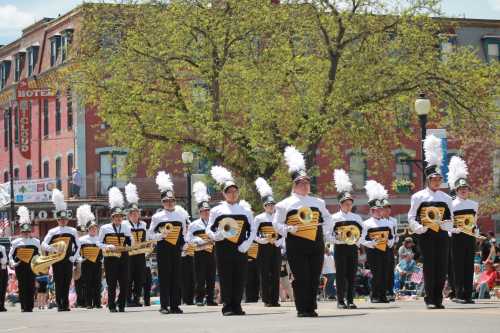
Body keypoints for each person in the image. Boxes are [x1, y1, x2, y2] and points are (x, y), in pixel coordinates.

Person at [273, 146, 332, 317]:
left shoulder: (318, 202)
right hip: (296, 242)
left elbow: (328, 218)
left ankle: (311, 306)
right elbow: (276, 224)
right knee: (301, 276)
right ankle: (302, 308)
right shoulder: (285, 204)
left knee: (314, 276)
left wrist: (325, 231)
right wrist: (288, 229)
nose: (306, 185)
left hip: (316, 241)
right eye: (302, 183)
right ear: (295, 184)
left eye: (307, 182)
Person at [408, 135, 454, 309]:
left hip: (442, 235)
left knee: (442, 267)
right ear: (428, 180)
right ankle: (430, 299)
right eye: (434, 179)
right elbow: (411, 216)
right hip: (426, 235)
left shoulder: (446, 197)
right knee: (429, 267)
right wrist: (419, 228)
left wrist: (447, 227)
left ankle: (438, 299)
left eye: (439, 179)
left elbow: (450, 218)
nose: (436, 181)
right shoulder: (418, 196)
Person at [206, 165, 256, 316]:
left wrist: (247, 244)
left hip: (240, 247)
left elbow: (252, 229)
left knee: (240, 276)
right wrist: (215, 236)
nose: (232, 194)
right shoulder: (216, 210)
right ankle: (227, 306)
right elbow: (209, 228)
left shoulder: (245, 210)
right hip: (223, 248)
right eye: (229, 192)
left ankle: (237, 305)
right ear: (224, 193)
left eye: (235, 191)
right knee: (226, 276)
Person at [149, 171, 189, 315]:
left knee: (176, 277)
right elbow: (150, 235)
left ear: (175, 201)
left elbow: (184, 233)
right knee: (165, 277)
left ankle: (175, 305)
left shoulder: (180, 215)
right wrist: (161, 235)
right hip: (163, 249)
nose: (169, 203)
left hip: (176, 249)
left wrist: (184, 244)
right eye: (166, 201)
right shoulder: (157, 216)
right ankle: (164, 305)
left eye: (172, 201)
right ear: (162, 202)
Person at [42, 189, 80, 312]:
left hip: (68, 259)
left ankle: (66, 303)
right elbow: (43, 244)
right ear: (57, 220)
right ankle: (60, 304)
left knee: (67, 281)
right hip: (57, 260)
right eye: (60, 219)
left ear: (67, 220)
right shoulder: (52, 231)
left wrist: (73, 257)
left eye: (64, 219)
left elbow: (78, 246)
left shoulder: (72, 231)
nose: (63, 221)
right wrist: (52, 248)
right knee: (58, 282)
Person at [330, 169, 363, 309]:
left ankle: (350, 300)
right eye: (346, 203)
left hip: (352, 247)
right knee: (341, 275)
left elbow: (362, 232)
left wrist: (357, 242)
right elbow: (328, 234)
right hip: (340, 247)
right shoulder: (334, 218)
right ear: (340, 203)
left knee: (352, 275)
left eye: (350, 203)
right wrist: (337, 240)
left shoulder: (357, 218)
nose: (348, 205)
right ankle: (340, 301)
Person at [447, 156, 478, 304]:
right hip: (457, 237)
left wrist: (476, 230)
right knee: (458, 266)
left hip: (470, 236)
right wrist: (453, 230)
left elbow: (475, 220)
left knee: (469, 266)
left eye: (466, 188)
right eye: (461, 189)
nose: (464, 191)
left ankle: (468, 294)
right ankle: (459, 293)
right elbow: (447, 223)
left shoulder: (474, 204)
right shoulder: (451, 205)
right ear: (457, 190)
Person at [99, 187, 133, 313]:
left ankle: (121, 303)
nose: (119, 219)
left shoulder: (126, 227)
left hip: (124, 256)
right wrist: (107, 246)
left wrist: (130, 245)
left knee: (125, 282)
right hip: (110, 258)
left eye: (120, 217)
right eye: (116, 216)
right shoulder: (105, 228)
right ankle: (112, 305)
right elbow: (98, 242)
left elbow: (130, 241)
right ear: (112, 217)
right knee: (111, 283)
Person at [361, 180, 394, 303]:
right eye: (376, 210)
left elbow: (392, 237)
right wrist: (372, 243)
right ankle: (374, 295)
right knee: (376, 273)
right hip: (373, 251)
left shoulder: (388, 222)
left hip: (385, 250)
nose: (379, 212)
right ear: (371, 211)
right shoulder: (366, 224)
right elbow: (362, 239)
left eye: (381, 209)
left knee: (385, 273)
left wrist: (389, 242)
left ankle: (383, 295)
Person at [187, 181, 217, 306]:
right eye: (204, 211)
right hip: (199, 253)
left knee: (211, 276)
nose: (206, 213)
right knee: (200, 277)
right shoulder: (194, 224)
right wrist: (201, 241)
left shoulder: (214, 223)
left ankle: (210, 299)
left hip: (212, 253)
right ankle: (199, 299)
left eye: (207, 210)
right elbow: (189, 238)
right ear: (199, 212)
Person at [253, 177, 282, 307]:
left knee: (276, 274)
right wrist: (263, 240)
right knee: (264, 274)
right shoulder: (259, 218)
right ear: (264, 206)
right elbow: (254, 234)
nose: (271, 207)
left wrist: (278, 241)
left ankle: (275, 299)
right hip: (264, 247)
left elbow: (282, 232)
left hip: (275, 247)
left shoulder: (278, 217)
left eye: (272, 205)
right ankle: (266, 299)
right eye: (268, 205)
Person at [9, 206, 40, 312]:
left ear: (30, 231)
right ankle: (23, 306)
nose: (26, 233)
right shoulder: (16, 242)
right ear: (21, 231)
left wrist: (39, 263)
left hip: (31, 267)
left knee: (31, 286)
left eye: (27, 231)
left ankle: (30, 306)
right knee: (22, 286)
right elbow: (10, 255)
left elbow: (39, 254)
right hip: (20, 267)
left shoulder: (36, 242)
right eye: (24, 231)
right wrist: (13, 262)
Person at [124, 183, 148, 307]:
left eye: (136, 213)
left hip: (140, 254)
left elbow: (147, 238)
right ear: (128, 215)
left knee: (140, 278)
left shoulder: (143, 224)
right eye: (132, 213)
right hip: (129, 255)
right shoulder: (125, 225)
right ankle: (128, 299)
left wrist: (147, 250)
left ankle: (137, 298)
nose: (134, 215)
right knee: (128, 277)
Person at [77, 204, 102, 309]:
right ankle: (88, 303)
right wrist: (80, 260)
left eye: (95, 228)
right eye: (91, 228)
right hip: (86, 263)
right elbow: (77, 252)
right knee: (87, 284)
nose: (93, 230)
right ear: (88, 229)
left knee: (97, 283)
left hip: (97, 263)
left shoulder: (100, 239)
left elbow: (103, 251)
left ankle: (97, 303)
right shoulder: (82, 240)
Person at [382, 198, 398, 301]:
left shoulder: (394, 220)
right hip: (381, 246)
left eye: (388, 208)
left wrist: (395, 241)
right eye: (385, 208)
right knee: (383, 270)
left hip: (391, 247)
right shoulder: (380, 220)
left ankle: (390, 291)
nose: (387, 210)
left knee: (390, 270)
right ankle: (384, 291)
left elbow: (395, 233)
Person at [0, 244, 7, 311]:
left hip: (2, 269)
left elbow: (4, 261)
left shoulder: (2, 247)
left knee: (2, 288)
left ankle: (1, 305)